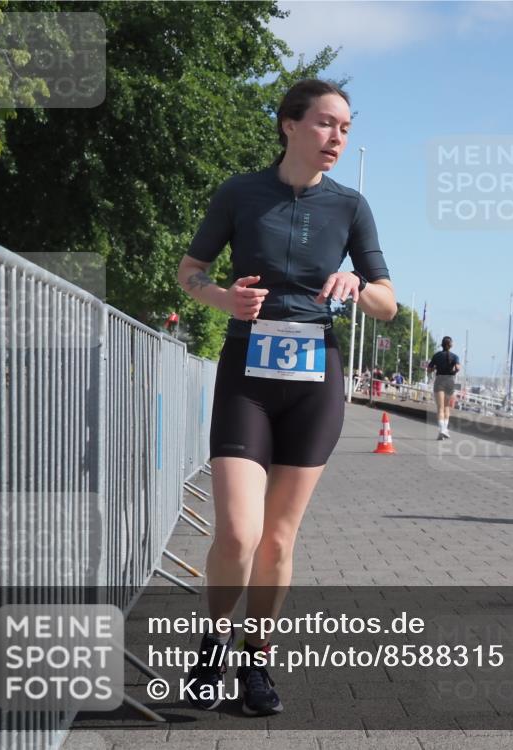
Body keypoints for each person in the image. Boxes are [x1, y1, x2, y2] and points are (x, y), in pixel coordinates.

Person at [176, 79, 397, 715]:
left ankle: (256, 664)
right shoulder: (240, 192)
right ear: (289, 125)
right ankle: (213, 643)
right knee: (239, 535)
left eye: (347, 128)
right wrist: (221, 298)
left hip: (314, 379)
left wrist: (356, 284)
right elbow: (191, 273)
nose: (338, 138)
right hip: (247, 372)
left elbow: (387, 302)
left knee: (277, 540)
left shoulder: (351, 207)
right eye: (327, 124)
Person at [427, 336, 460, 440]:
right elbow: (458, 368)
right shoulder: (455, 357)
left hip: (440, 380)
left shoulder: (437, 355)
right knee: (446, 407)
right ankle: (444, 431)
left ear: (442, 344)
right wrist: (453, 372)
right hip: (450, 381)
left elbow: (429, 369)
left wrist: (435, 368)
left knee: (440, 408)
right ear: (450, 345)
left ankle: (442, 430)